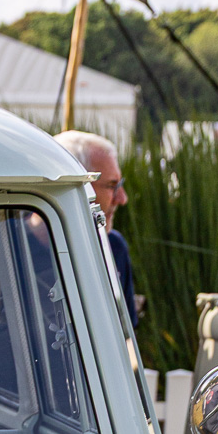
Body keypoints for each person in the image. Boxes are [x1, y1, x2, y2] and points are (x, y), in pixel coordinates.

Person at [54, 130, 139, 329]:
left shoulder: (113, 246)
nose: (122, 199)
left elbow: (125, 336)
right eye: (111, 186)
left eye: (120, 185)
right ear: (74, 187)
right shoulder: (0, 251)